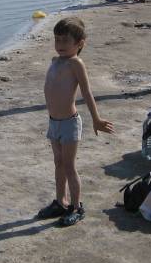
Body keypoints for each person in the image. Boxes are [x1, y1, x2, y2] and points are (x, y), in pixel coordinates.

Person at [37, 17, 115, 226]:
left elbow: (87, 92)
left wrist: (96, 119)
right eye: (57, 39)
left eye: (65, 40)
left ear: (79, 44)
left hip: (69, 123)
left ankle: (76, 206)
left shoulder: (76, 63)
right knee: (58, 163)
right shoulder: (55, 61)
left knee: (69, 166)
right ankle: (60, 202)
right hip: (54, 122)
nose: (60, 44)